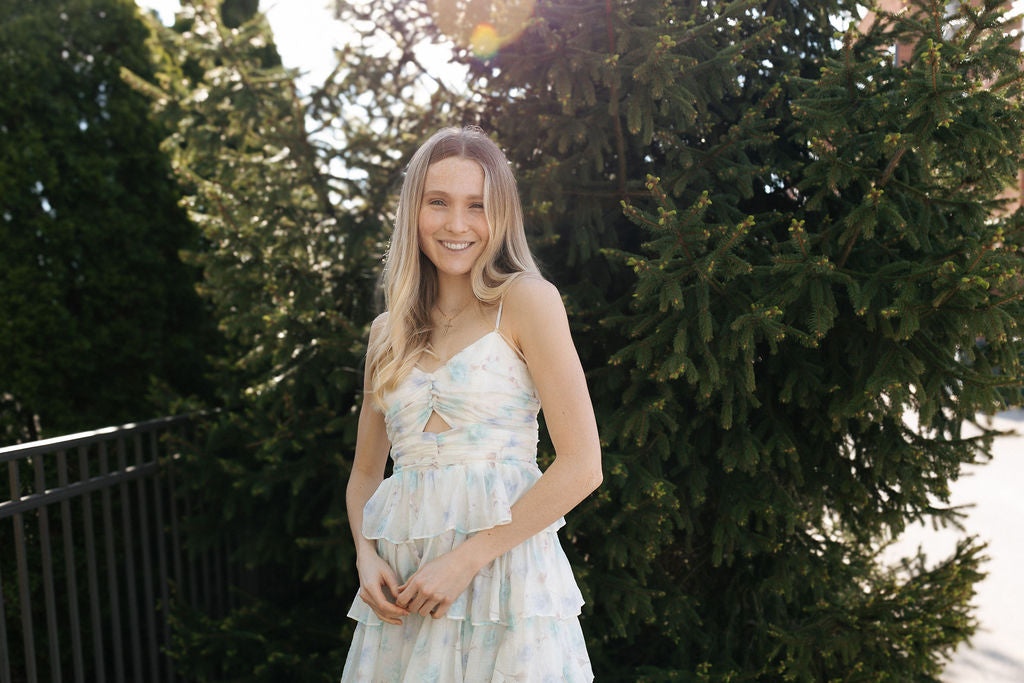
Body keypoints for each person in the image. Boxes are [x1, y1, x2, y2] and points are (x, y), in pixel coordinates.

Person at [341, 126, 602, 681]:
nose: (456, 225)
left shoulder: (527, 301)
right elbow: (365, 474)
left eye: (476, 205)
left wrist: (467, 559)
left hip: (506, 585)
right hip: (406, 596)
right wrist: (366, 556)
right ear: (413, 212)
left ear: (500, 215)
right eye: (438, 202)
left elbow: (583, 466)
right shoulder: (386, 333)